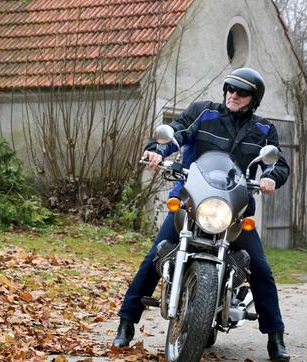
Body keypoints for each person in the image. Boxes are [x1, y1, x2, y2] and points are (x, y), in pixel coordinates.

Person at [112, 68, 291, 362]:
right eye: (230, 88)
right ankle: (127, 321)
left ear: (253, 99)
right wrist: (158, 150)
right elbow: (178, 132)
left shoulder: (264, 130)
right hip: (192, 202)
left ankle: (275, 336)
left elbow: (278, 164)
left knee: (260, 267)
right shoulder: (203, 112)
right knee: (154, 256)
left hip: (234, 210)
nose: (233, 94)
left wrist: (271, 176)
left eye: (241, 91)